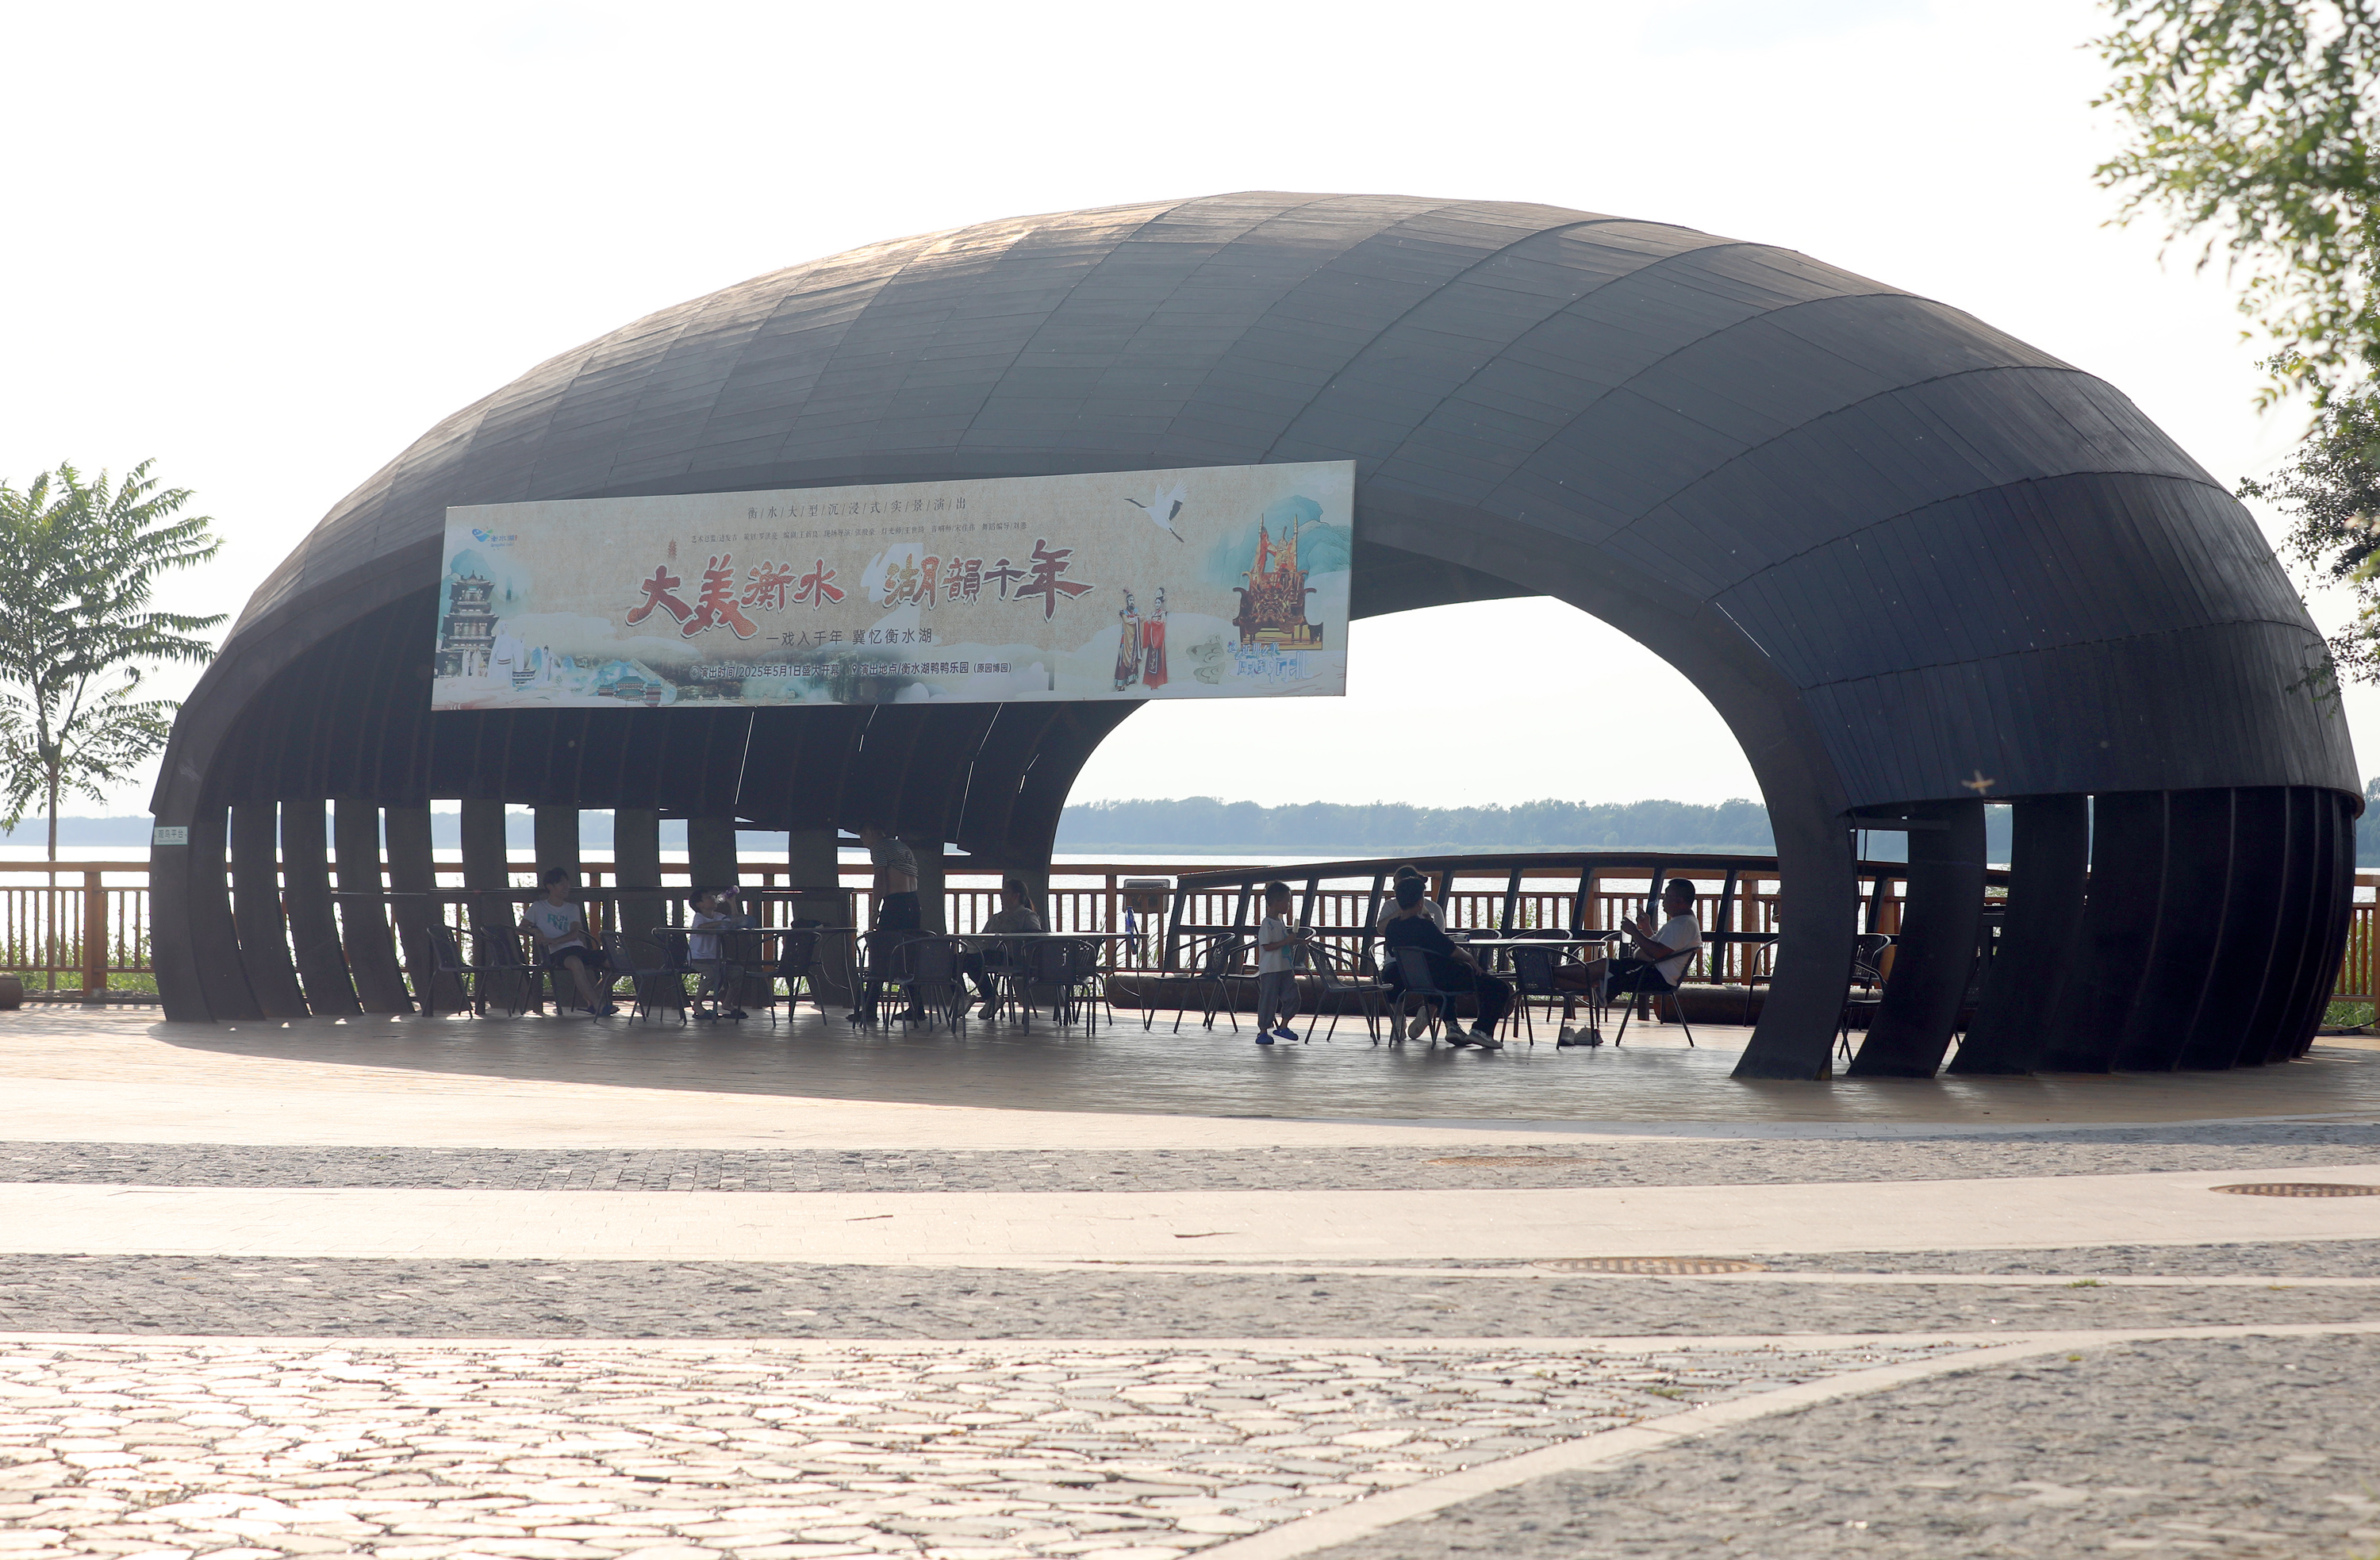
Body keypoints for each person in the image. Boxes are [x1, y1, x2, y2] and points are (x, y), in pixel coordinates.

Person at [1568, 878, 1702, 1046]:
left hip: (1655, 977)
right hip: (1650, 971)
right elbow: (1660, 947)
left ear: (1679, 901)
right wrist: (1645, 927)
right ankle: (1556, 978)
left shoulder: (1683, 925)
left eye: (1667, 895)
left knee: (1603, 968)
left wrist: (1634, 932)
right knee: (1597, 973)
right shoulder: (1681, 922)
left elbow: (1657, 953)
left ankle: (1552, 976)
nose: (1663, 899)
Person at [1380, 875, 1508, 1047]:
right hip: (1442, 978)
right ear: (1420, 902)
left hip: (1416, 980)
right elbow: (1452, 950)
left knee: (1448, 982)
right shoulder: (1425, 926)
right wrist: (1471, 959)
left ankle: (1453, 1027)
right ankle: (1481, 1030)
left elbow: (1392, 951)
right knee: (1500, 987)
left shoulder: (1392, 927)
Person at [852, 824, 924, 1023]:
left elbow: (880, 878)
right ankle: (917, 1008)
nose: (863, 843)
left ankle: (869, 1009)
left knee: (880, 954)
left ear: (870, 832)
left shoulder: (880, 848)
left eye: (862, 837)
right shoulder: (901, 847)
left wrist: (875, 911)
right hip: (913, 903)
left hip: (896, 904)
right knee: (908, 956)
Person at [522, 867, 616, 1016]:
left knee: (615, 963)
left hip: (577, 948)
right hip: (556, 952)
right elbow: (520, 928)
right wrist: (535, 931)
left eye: (567, 883)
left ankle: (592, 997)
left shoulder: (572, 908)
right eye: (561, 884)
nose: (566, 887)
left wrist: (555, 940)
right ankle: (598, 1005)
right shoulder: (538, 907)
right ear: (550, 887)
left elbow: (575, 933)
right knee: (575, 962)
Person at [1378, 866, 1446, 1040]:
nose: (1393, 888)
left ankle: (1427, 1013)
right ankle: (1398, 1018)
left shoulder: (1433, 908)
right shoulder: (1390, 906)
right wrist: (1402, 910)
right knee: (1390, 976)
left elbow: (1439, 938)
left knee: (1438, 977)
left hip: (1427, 961)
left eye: (1396, 884)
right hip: (1396, 961)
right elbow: (1381, 929)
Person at [964, 878, 1045, 1018]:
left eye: (1005, 892)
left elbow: (1036, 936)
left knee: (972, 960)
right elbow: (984, 936)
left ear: (1016, 895)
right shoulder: (996, 917)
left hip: (1011, 957)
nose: (1001, 895)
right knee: (956, 960)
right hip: (989, 953)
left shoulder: (1027, 915)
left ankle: (991, 998)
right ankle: (963, 997)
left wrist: (1013, 938)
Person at [1253, 881, 1309, 1045]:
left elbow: (1283, 941)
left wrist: (1297, 941)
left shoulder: (1279, 922)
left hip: (1285, 967)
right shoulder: (1267, 924)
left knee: (1293, 996)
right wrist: (1287, 941)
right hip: (1271, 969)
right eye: (1287, 901)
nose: (1289, 905)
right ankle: (1263, 1031)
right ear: (1277, 903)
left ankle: (1283, 1026)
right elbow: (1267, 946)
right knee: (1268, 1000)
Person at [686, 886, 748, 1020]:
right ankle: (697, 1005)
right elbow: (700, 928)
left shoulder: (718, 916)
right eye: (708, 897)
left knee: (738, 972)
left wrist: (732, 903)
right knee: (712, 974)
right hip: (698, 959)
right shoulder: (699, 917)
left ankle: (727, 1003)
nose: (713, 898)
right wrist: (721, 923)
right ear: (700, 905)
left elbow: (734, 922)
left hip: (717, 959)